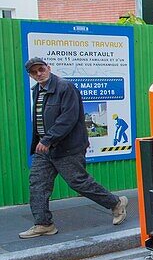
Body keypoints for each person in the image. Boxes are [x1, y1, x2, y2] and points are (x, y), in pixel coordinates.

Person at [19, 58, 128, 238]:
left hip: (66, 148)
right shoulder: (37, 91)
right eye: (34, 72)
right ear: (30, 75)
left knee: (79, 182)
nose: (39, 74)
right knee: (37, 184)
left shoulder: (65, 87)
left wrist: (48, 139)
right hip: (44, 150)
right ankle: (43, 223)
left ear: (49, 68)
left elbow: (68, 118)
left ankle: (116, 203)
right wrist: (43, 141)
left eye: (41, 69)